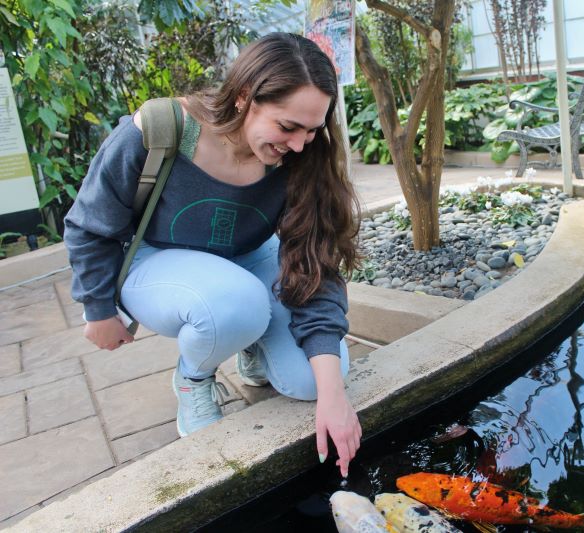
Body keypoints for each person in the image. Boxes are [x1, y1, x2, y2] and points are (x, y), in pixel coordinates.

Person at [63, 33, 361, 477]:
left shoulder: (303, 158)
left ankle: (251, 343)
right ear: (244, 97)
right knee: (235, 305)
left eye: (312, 130)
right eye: (287, 126)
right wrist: (98, 308)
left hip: (248, 256)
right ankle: (194, 376)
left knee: (314, 380)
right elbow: (88, 224)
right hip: (157, 259)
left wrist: (335, 400)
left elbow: (314, 267)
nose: (300, 144)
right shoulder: (158, 131)